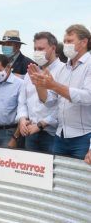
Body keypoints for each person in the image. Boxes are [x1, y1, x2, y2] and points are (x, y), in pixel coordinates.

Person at [29, 24, 91, 164]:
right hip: (60, 135)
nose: (66, 45)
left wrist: (54, 85)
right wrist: (39, 85)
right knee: (56, 181)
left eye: (70, 41)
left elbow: (87, 97)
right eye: (65, 41)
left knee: (79, 182)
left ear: (84, 42)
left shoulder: (89, 65)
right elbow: (50, 101)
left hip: (83, 137)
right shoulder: (65, 69)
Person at [16, 32, 64, 154]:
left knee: (51, 171)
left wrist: (41, 125)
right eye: (35, 49)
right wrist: (22, 119)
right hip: (29, 131)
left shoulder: (64, 71)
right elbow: (22, 101)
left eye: (41, 49)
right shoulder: (30, 72)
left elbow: (64, 106)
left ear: (53, 48)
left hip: (52, 134)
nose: (37, 52)